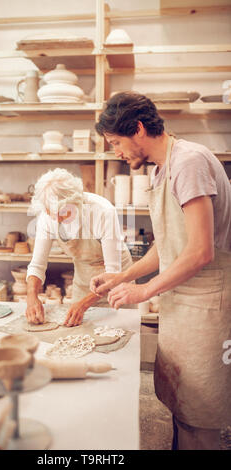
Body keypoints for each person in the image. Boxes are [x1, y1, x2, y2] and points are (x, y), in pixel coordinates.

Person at [90, 91, 231, 450]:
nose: (116, 153)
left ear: (138, 129)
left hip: (207, 305)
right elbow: (168, 245)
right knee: (182, 411)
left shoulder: (188, 162)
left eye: (116, 142)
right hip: (183, 303)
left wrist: (144, 291)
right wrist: (123, 276)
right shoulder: (162, 168)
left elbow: (200, 251)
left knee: (201, 418)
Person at [25, 167, 133, 327]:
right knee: (77, 331)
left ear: (75, 202)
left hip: (118, 280)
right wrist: (31, 295)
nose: (56, 218)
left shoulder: (102, 211)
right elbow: (37, 265)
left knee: (120, 332)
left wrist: (83, 305)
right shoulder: (47, 216)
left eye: (62, 213)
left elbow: (113, 273)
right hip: (84, 278)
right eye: (51, 212)